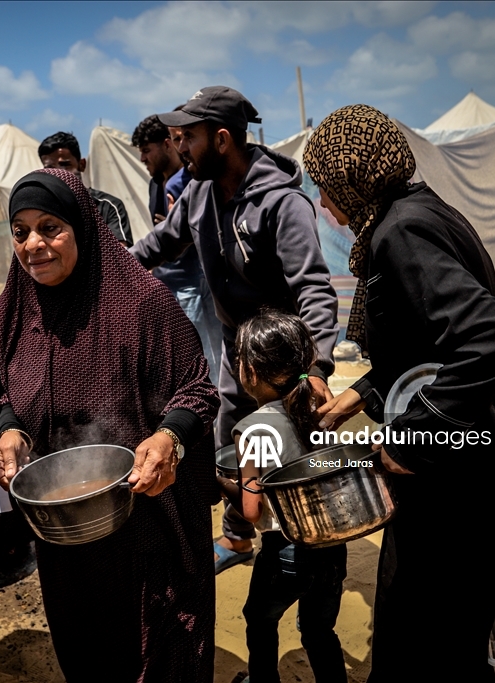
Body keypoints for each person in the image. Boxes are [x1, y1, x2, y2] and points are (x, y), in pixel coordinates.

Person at [306, 104, 495, 681]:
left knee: (424, 649)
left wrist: (411, 436)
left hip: (460, 484)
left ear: (353, 179)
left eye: (326, 187)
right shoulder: (419, 210)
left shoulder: (402, 232)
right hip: (466, 457)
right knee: (449, 649)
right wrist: (361, 395)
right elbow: (428, 344)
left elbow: (491, 339)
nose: (324, 205)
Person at [0, 168, 220, 682]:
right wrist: (10, 430)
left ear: (84, 227)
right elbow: (5, 390)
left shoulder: (141, 302)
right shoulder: (15, 309)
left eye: (50, 228)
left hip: (147, 523)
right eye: (20, 231)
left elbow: (197, 389)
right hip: (65, 535)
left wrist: (169, 438)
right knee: (90, 654)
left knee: (158, 654)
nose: (33, 244)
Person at [129, 86, 339, 573]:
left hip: (283, 356)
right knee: (230, 440)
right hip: (234, 346)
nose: (180, 147)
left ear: (222, 140)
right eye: (177, 137)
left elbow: (313, 288)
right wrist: (109, 273)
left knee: (293, 446)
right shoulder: (198, 194)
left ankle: (312, 542)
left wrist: (316, 369)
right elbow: (159, 244)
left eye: (189, 137)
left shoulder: (282, 203)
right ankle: (240, 534)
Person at [219, 310, 348, 683]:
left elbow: (251, 509)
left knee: (259, 619)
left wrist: (220, 482)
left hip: (286, 553)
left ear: (250, 371)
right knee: (319, 630)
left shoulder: (252, 429)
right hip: (332, 549)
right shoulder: (318, 411)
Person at [132, 114, 220, 383]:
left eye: (147, 150)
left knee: (205, 363)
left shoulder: (188, 180)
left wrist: (178, 225)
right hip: (170, 286)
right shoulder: (156, 184)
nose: (142, 158)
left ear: (166, 144)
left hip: (193, 287)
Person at [38, 131, 133, 246]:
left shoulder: (107, 207)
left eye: (65, 165)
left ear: (82, 165)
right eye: (50, 169)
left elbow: (119, 253)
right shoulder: (40, 209)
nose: (59, 173)